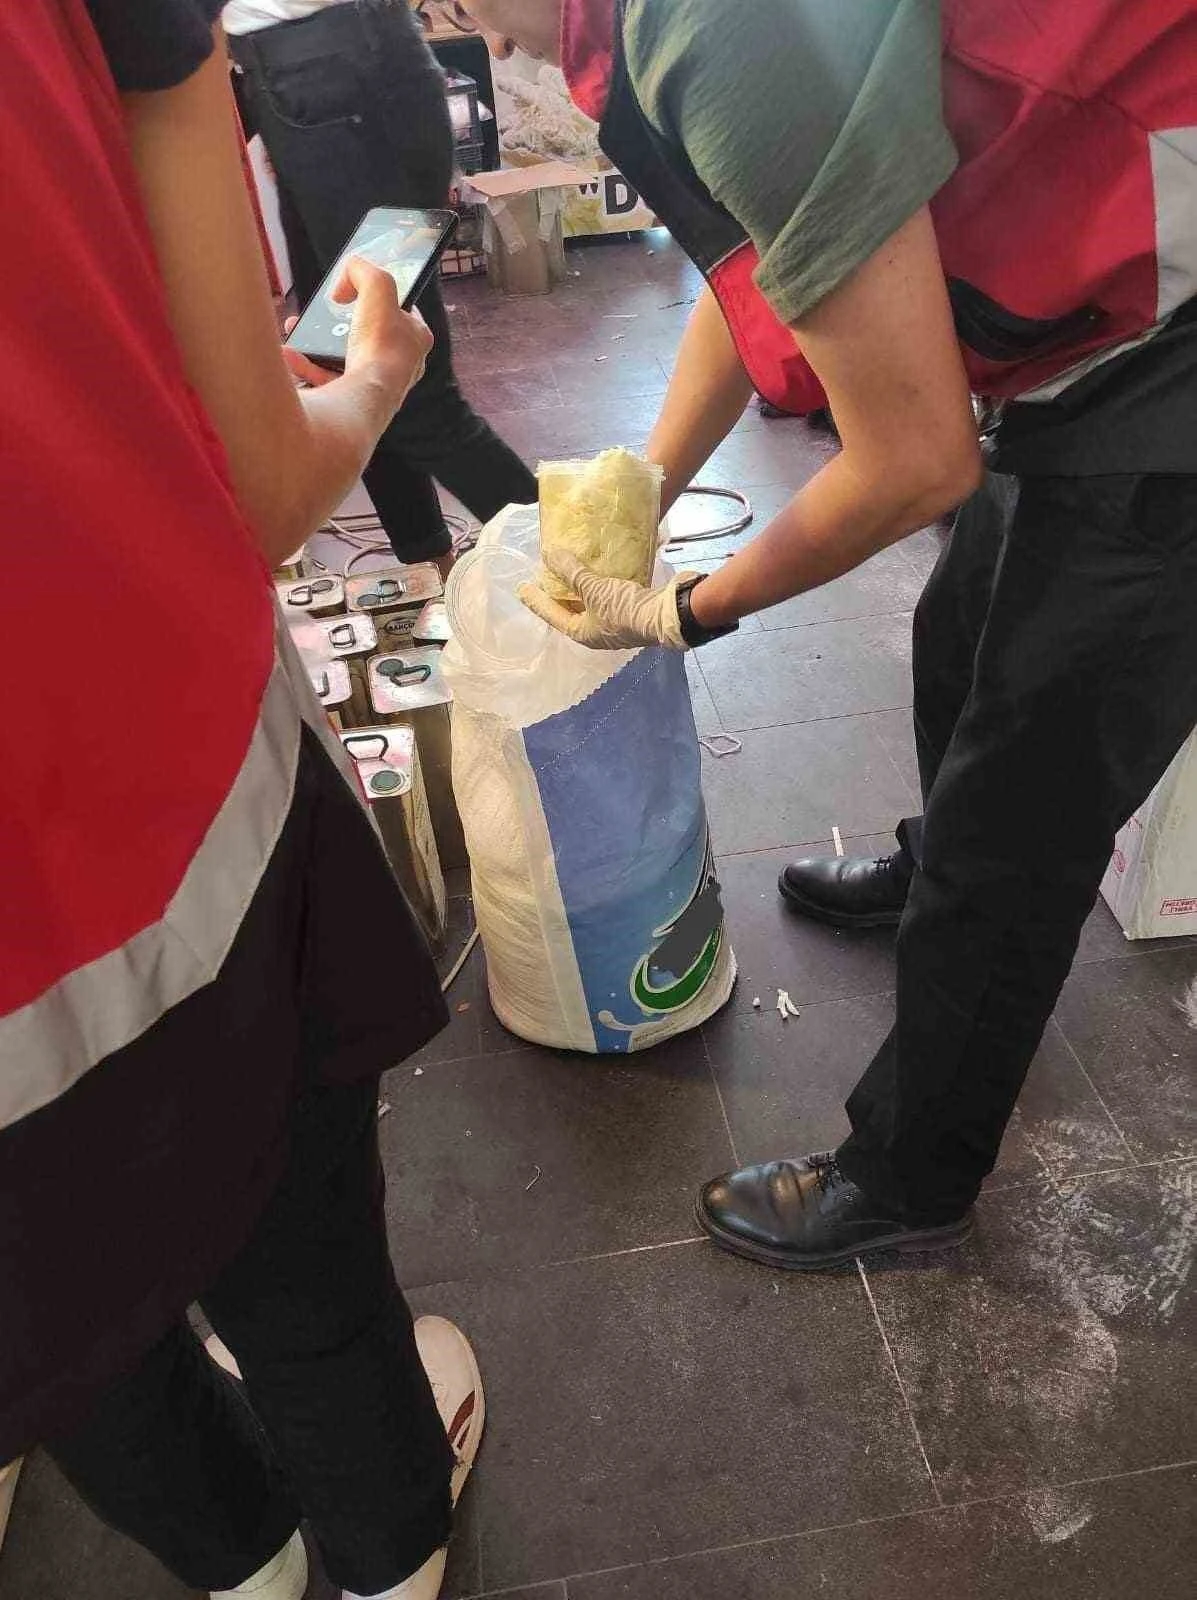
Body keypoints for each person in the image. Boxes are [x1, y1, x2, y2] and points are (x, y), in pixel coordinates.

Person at [463, 0, 1197, 1269]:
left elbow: (915, 462)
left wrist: (687, 610)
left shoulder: (713, 26)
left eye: (454, 1)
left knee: (1022, 811)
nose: (472, 33)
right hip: (1090, 315)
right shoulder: (664, 26)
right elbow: (778, 259)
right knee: (961, 632)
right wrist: (643, 492)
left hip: (1168, 350)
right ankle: (935, 868)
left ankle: (912, 1176)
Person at [1, 4, 483, 1598]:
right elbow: (266, 486)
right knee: (300, 1259)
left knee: (54, 1328)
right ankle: (386, 1557)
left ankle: (247, 1565)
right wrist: (373, 380)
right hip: (158, 805)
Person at [224, 0, 538, 573]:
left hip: (332, 80)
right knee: (338, 362)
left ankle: (592, 573)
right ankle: (431, 574)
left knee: (416, 398)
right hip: (319, 77)